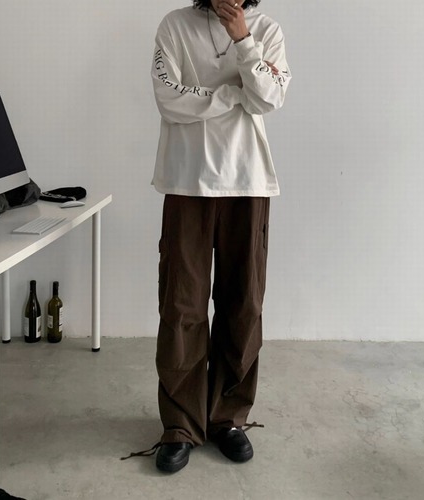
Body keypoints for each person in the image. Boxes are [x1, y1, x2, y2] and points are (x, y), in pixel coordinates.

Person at [151, 0, 291, 473]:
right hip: (186, 182)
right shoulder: (174, 26)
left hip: (247, 182)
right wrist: (232, 95)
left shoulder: (266, 30)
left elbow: (269, 98)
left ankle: (228, 418)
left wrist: (243, 40)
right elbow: (168, 98)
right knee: (181, 305)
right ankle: (180, 425)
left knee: (243, 304)